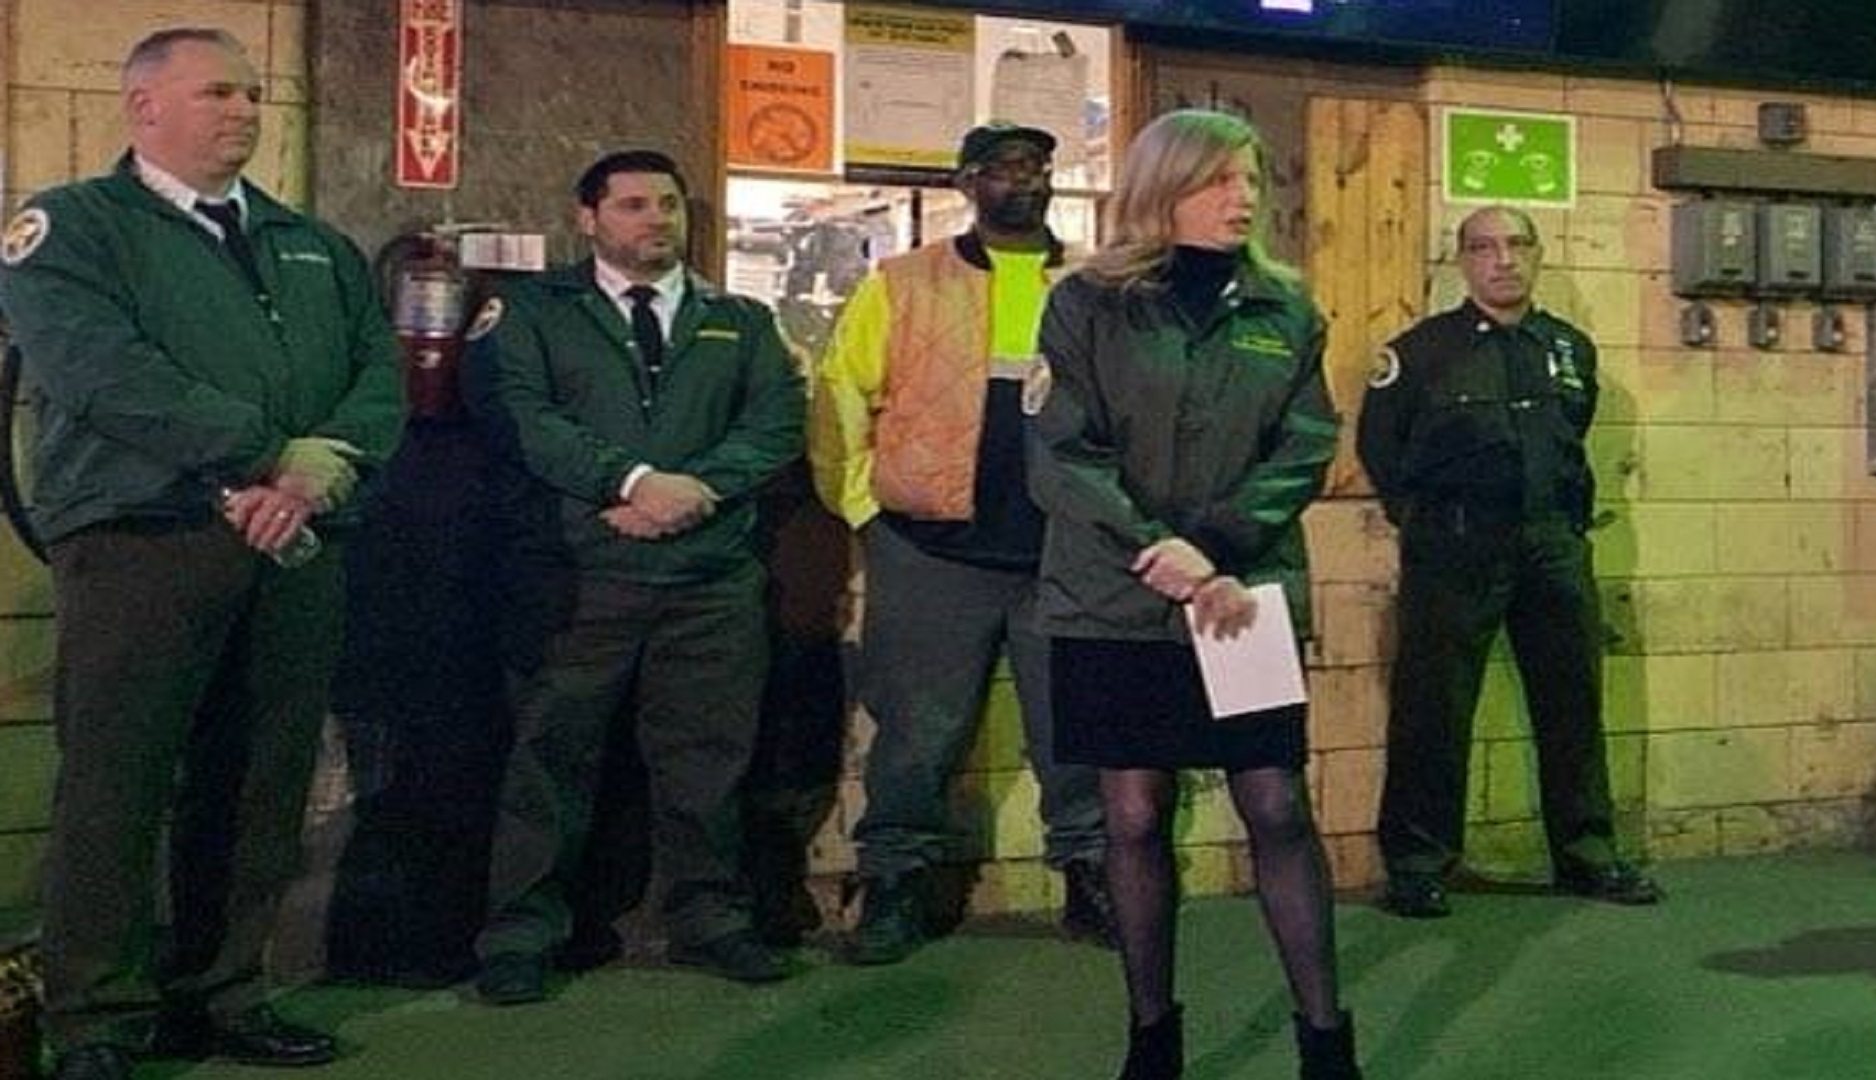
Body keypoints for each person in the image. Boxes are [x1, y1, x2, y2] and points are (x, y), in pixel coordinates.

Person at [0, 27, 402, 1080]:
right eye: (218, 92)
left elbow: (377, 372)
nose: (244, 111)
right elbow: (102, 372)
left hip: (293, 539)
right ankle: (96, 1020)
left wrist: (318, 471)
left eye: (252, 93)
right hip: (144, 539)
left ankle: (222, 993)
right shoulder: (73, 228)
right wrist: (265, 454)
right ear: (142, 106)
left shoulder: (307, 241)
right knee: (117, 786)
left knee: (259, 780)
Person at [1029, 109, 1359, 1080]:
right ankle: (1152, 1037)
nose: (1243, 197)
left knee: (1276, 805)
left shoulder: (1285, 309)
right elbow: (1060, 452)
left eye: (1251, 179)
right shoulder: (1085, 303)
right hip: (1111, 598)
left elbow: (1305, 444)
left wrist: (1210, 546)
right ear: (1161, 188)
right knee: (1133, 816)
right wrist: (1154, 547)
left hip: (1236, 593)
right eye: (1218, 180)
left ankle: (1325, 1042)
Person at [462, 149, 805, 1002]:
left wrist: (697, 490)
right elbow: (520, 417)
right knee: (549, 759)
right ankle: (522, 936)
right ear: (588, 218)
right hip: (579, 577)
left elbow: (774, 423)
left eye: (669, 205)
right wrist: (631, 481)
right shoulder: (534, 312)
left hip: (709, 578)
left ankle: (710, 920)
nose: (656, 220)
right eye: (633, 205)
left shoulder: (740, 319)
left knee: (708, 762)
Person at [810, 122, 1110, 965]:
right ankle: (895, 882)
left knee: (1077, 729)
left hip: (1065, 551)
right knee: (915, 732)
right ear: (967, 184)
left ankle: (1091, 877)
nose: (1028, 180)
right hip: (930, 551)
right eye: (1006, 168)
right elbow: (839, 396)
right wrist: (865, 510)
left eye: (1039, 166)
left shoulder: (1097, 287)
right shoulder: (903, 283)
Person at [1360, 205, 1662, 919]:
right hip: (1454, 548)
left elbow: (1572, 436)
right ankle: (1417, 865)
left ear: (1538, 254)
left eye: (1518, 244)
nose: (1504, 260)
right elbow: (1381, 450)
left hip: (1552, 544)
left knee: (1573, 702)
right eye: (1485, 247)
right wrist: (1432, 524)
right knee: (1433, 709)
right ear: (1462, 261)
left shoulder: (1569, 349)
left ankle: (1588, 854)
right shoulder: (1420, 353)